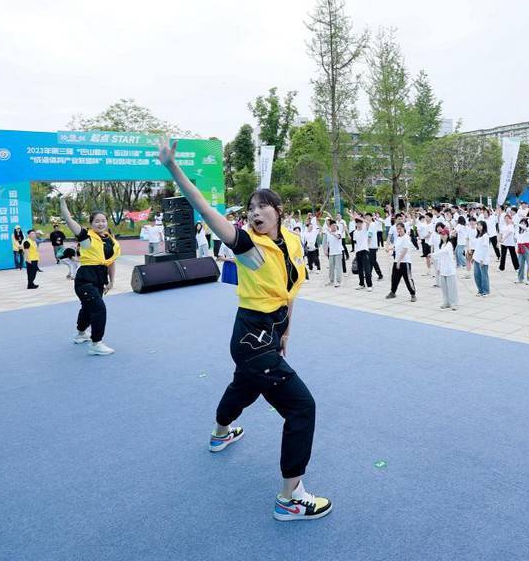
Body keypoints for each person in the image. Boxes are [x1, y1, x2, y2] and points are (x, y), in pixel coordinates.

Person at [159, 139, 329, 522]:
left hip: (270, 332)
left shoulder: (292, 242)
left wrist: (286, 332)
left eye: (261, 206)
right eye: (250, 208)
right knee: (301, 407)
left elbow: (291, 290)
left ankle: (220, 433)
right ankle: (290, 498)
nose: (254, 212)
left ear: (278, 211)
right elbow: (206, 210)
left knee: (244, 387)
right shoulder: (248, 246)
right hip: (252, 337)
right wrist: (172, 168)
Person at [58, 196, 120, 356]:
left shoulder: (111, 241)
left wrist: (111, 282)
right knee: (99, 309)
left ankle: (80, 334)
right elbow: (69, 220)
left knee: (87, 308)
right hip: (85, 279)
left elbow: (111, 262)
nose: (101, 223)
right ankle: (96, 343)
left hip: (100, 279)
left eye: (103, 221)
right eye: (97, 221)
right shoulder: (86, 238)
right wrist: (62, 202)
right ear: (91, 223)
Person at [385, 222, 417, 301]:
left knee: (408, 279)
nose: (399, 230)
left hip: (405, 262)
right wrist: (389, 249)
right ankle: (393, 292)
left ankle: (413, 294)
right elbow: (396, 247)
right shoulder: (398, 237)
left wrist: (399, 261)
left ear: (403, 228)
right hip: (396, 261)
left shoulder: (406, 237)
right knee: (394, 278)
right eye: (397, 229)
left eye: (400, 228)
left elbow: (405, 250)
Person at [433, 228, 459, 310]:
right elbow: (440, 257)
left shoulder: (449, 244)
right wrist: (438, 267)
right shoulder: (442, 245)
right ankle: (446, 302)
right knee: (444, 288)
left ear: (447, 235)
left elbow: (443, 252)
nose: (442, 236)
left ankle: (454, 303)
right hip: (443, 270)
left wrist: (433, 254)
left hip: (450, 270)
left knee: (451, 288)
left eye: (444, 234)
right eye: (441, 234)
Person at [471, 220, 492, 297]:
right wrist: (473, 257)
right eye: (478, 225)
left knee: (484, 276)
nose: (478, 226)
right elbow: (477, 248)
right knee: (477, 276)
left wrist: (483, 260)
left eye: (480, 225)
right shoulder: (478, 235)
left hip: (482, 259)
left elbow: (485, 249)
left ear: (484, 226)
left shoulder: (485, 236)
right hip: (476, 258)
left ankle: (486, 291)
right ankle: (480, 290)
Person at [352, 217, 373, 291]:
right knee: (360, 269)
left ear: (362, 223)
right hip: (358, 252)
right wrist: (355, 252)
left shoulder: (364, 229)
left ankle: (369, 285)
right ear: (356, 224)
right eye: (357, 223)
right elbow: (356, 243)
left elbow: (368, 223)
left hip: (365, 251)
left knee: (367, 269)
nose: (359, 224)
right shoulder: (355, 232)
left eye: (360, 223)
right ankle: (361, 284)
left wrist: (358, 217)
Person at [325, 220, 344, 288]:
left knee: (338, 267)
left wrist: (331, 233)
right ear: (330, 226)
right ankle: (331, 280)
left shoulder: (339, 232)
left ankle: (338, 281)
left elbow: (338, 237)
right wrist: (326, 250)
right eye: (332, 225)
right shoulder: (328, 234)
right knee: (331, 267)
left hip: (338, 252)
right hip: (331, 253)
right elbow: (327, 243)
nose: (334, 226)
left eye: (335, 225)